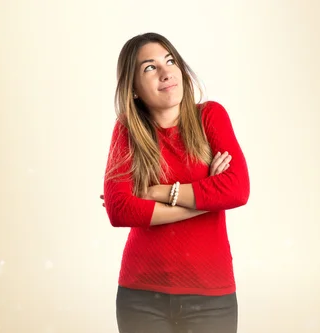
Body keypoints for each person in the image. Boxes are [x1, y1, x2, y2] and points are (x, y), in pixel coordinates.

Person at [100, 32, 250, 333]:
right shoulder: (127, 131)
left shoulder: (211, 116)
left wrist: (159, 192)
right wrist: (204, 199)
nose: (166, 72)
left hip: (211, 296)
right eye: (150, 67)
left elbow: (237, 189)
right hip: (141, 296)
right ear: (134, 90)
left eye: (170, 61)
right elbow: (120, 210)